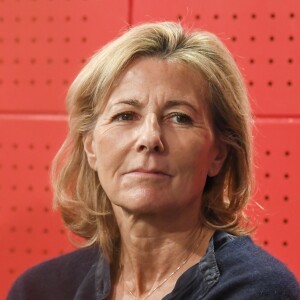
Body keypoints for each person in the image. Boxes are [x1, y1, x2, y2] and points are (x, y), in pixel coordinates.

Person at [7, 22, 299, 300]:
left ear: (218, 154)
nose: (149, 138)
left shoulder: (259, 291)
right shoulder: (38, 289)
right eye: (125, 115)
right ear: (91, 147)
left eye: (180, 118)